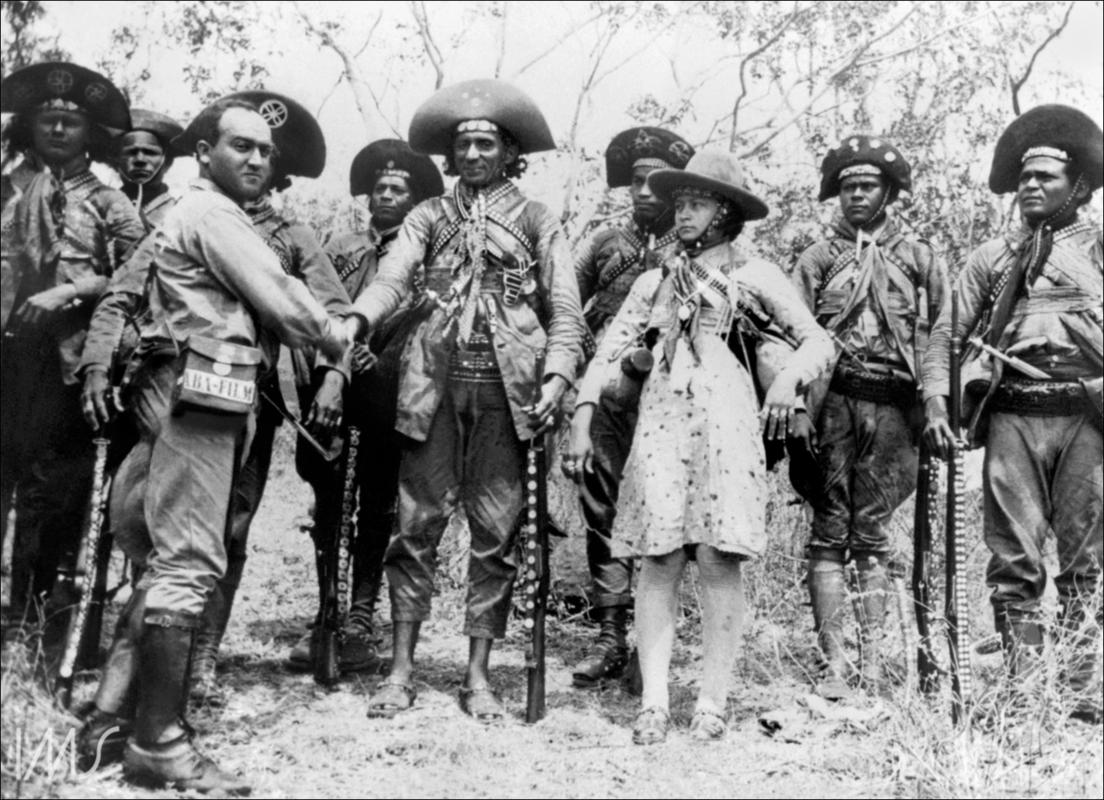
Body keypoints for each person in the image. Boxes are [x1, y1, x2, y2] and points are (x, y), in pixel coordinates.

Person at [109, 95, 350, 793]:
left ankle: (107, 715)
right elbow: (283, 299)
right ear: (203, 152)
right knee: (188, 560)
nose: (257, 159)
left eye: (266, 151)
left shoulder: (199, 211)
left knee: (164, 558)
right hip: (202, 395)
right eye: (241, 145)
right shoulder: (213, 215)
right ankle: (159, 743)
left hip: (205, 389)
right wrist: (340, 334)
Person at [566, 151, 833, 744]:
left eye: (696, 204)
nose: (682, 214)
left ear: (725, 212)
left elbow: (818, 341)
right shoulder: (654, 281)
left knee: (717, 558)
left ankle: (711, 702)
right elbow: (608, 352)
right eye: (680, 204)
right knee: (658, 559)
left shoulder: (755, 274)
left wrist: (788, 382)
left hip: (726, 422)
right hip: (661, 423)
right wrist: (582, 416)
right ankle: (655, 704)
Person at [346, 79, 585, 723]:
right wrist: (358, 320)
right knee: (414, 527)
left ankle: (478, 676)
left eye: (486, 143)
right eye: (464, 145)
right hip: (432, 388)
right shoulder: (427, 216)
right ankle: (400, 670)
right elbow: (393, 278)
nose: (474, 154)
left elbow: (565, 310)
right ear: (450, 155)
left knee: (496, 535)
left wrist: (558, 377)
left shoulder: (536, 220)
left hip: (510, 396)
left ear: (510, 152)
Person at [922, 104, 1103, 724]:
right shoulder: (992, 258)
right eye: (1024, 177)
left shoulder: (1098, 248)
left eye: (1045, 177)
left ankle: (1081, 691)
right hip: (1011, 418)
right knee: (1013, 560)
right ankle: (1023, 694)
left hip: (1087, 418)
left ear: (1077, 187)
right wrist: (937, 402)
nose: (1030, 186)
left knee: (1088, 559)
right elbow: (947, 336)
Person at [791, 135, 947, 698]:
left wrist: (936, 403)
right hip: (832, 404)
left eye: (868, 186)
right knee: (829, 530)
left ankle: (874, 663)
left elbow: (944, 334)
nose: (856, 195)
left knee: (873, 533)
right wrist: (799, 407)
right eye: (848, 187)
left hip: (895, 409)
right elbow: (791, 337)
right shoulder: (817, 258)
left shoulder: (919, 257)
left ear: (889, 193)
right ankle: (834, 664)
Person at [288, 138, 444, 674]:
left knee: (378, 504)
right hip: (333, 384)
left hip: (390, 393)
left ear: (414, 199)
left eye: (398, 189)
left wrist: (386, 359)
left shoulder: (423, 255)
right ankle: (327, 611)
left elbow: (427, 325)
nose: (387, 195)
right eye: (380, 187)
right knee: (330, 500)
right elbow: (315, 304)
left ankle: (360, 615)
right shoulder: (342, 245)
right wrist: (335, 355)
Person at [0, 61, 144, 622]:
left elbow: (139, 274)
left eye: (71, 122)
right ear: (29, 127)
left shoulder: (110, 203)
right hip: (7, 351)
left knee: (49, 488)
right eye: (47, 120)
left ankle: (32, 616)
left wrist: (73, 290)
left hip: (66, 361)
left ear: (90, 135)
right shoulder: (7, 189)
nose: (58, 129)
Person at [567, 126, 694, 689]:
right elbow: (563, 305)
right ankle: (610, 636)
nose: (643, 192)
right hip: (606, 395)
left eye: (655, 183)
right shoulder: (603, 242)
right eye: (635, 182)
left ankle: (652, 642)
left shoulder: (691, 248)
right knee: (603, 510)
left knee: (664, 513)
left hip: (668, 398)